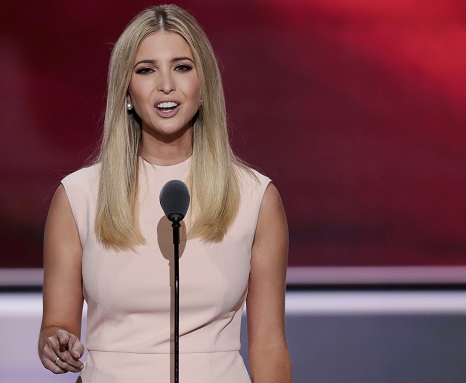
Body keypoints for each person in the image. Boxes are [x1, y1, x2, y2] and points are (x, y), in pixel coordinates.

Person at [38, 4, 291, 382]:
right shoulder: (79, 197)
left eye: (182, 67)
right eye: (146, 70)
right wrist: (56, 343)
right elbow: (57, 324)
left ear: (203, 85)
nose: (166, 84)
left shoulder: (255, 198)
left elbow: (269, 343)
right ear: (127, 90)